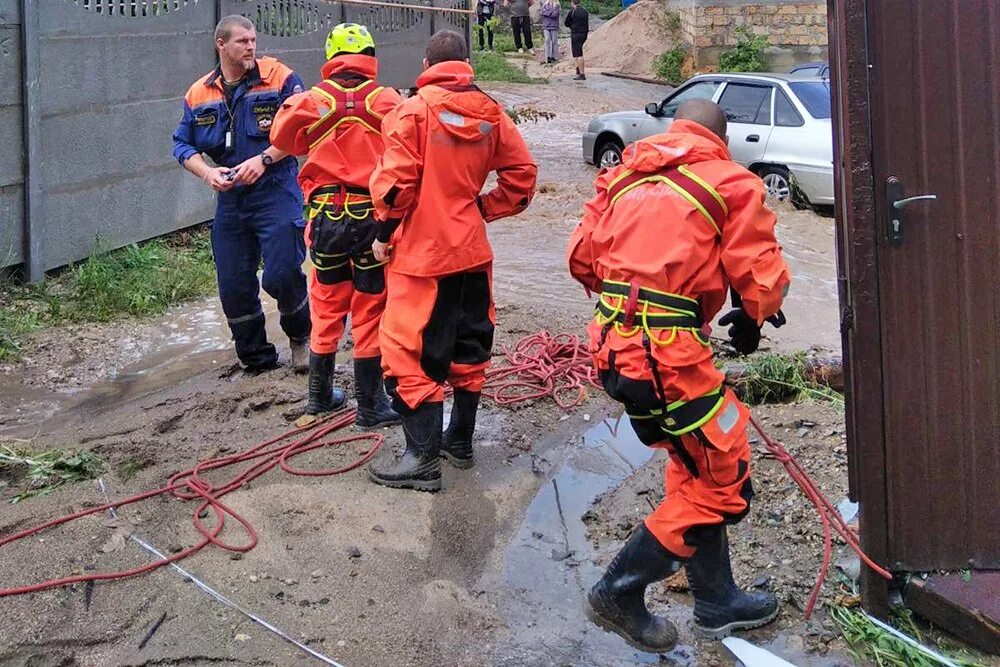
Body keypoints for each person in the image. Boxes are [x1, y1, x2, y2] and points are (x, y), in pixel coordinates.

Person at [566, 99, 791, 650]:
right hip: (666, 355)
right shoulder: (732, 183)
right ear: (723, 138)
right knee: (726, 473)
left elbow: (580, 260)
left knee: (694, 461)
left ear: (673, 129)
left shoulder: (620, 178)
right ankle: (616, 592)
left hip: (612, 346)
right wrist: (754, 312)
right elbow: (761, 279)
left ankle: (717, 599)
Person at [367, 30, 537, 492]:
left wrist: (383, 234)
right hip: (471, 254)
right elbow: (522, 178)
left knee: (407, 353)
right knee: (468, 347)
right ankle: (459, 441)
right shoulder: (493, 113)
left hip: (422, 258)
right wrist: (482, 208)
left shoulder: (412, 111)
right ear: (466, 64)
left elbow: (397, 186)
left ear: (426, 63)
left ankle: (421, 459)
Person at [269, 23, 402, 426]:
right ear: (370, 55)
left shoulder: (309, 101)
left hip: (325, 218)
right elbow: (409, 151)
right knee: (369, 309)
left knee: (326, 308)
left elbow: (284, 140)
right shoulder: (388, 100)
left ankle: (320, 398)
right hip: (370, 220)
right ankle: (370, 405)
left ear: (330, 59)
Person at [173, 16, 311, 373]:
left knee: (281, 274)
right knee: (233, 285)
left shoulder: (279, 77)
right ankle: (256, 360)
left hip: (276, 189)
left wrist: (265, 159)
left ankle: (301, 340)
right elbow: (182, 145)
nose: (251, 47)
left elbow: (306, 127)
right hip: (231, 200)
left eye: (253, 40)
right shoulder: (199, 93)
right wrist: (207, 172)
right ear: (221, 44)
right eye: (242, 41)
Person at [564, 0, 589, 80]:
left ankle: (581, 73)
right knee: (577, 52)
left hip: (576, 33)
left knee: (578, 54)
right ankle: (577, 71)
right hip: (584, 33)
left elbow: (566, 23)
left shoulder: (572, 12)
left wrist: (572, 25)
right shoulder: (585, 11)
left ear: (572, 3)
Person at [540, 0, 560, 64]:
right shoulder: (545, 4)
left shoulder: (557, 5)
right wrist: (550, 12)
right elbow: (542, 13)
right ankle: (547, 56)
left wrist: (547, 13)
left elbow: (555, 14)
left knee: (554, 41)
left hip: (554, 25)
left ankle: (554, 57)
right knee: (547, 40)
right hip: (546, 25)